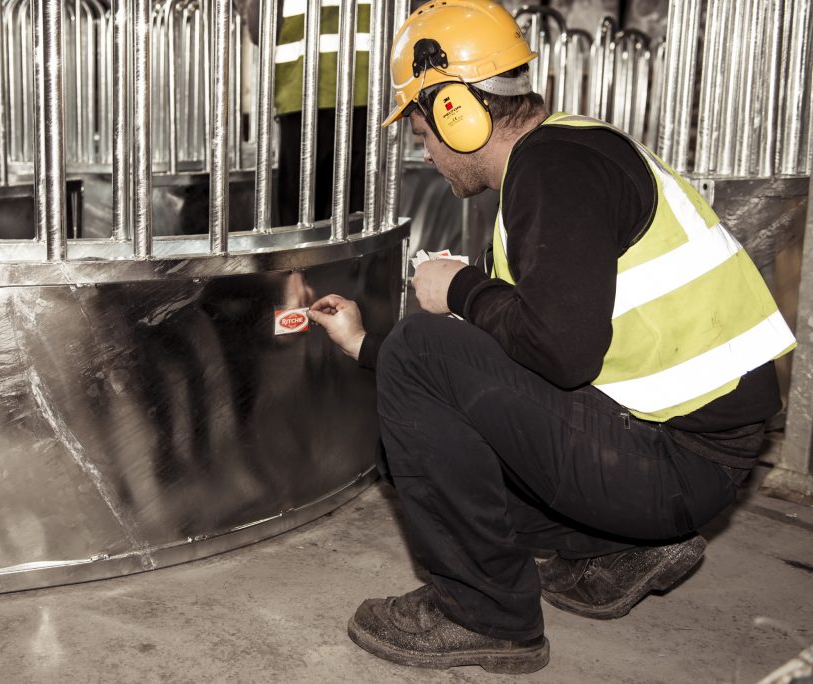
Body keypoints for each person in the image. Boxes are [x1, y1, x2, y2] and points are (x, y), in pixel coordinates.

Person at [307, 0, 796, 674]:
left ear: (458, 110)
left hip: (680, 462)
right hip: (672, 450)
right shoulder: (561, 159)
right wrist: (365, 343)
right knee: (411, 423)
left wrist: (457, 290)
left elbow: (560, 354)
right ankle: (608, 549)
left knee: (422, 356)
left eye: (422, 131)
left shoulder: (557, 170)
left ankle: (485, 615)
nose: (426, 152)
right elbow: (495, 355)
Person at [236, 0, 369, 225]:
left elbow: (261, 29)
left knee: (300, 218)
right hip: (361, 84)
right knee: (353, 216)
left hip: (301, 88)